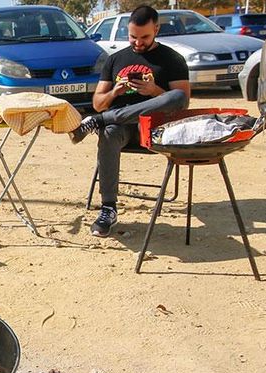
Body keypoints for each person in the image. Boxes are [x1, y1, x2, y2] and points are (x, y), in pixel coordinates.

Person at [69, 5, 190, 237]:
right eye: (133, 36)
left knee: (175, 95)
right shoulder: (115, 59)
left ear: (156, 29)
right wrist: (115, 92)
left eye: (144, 37)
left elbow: (181, 103)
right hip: (122, 129)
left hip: (155, 127)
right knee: (109, 132)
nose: (138, 42)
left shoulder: (172, 59)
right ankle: (108, 209)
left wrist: (154, 90)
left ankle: (98, 121)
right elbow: (97, 102)